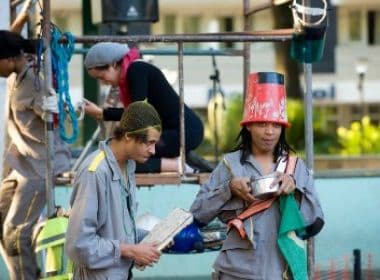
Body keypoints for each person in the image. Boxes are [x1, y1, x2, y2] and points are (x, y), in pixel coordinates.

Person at [190, 72, 324, 279]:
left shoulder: (296, 168)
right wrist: (229, 189)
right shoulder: (229, 165)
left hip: (282, 272)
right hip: (236, 273)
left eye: (276, 125)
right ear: (249, 126)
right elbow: (197, 214)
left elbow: (314, 223)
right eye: (262, 124)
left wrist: (295, 190)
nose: (269, 131)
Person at [0, 30, 71, 279]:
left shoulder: (36, 80)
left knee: (15, 230)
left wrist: (55, 105)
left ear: (8, 59)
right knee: (2, 224)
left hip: (41, 164)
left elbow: (60, 113)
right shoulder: (14, 75)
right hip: (20, 161)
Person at [65, 101, 162, 280]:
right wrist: (131, 251)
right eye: (149, 143)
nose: (153, 150)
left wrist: (155, 238)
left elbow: (119, 230)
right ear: (128, 136)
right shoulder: (94, 172)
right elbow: (79, 245)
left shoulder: (128, 165)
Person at [82, 42, 212, 173]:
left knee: (125, 159)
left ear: (114, 64)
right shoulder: (132, 73)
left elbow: (138, 113)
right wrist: (102, 113)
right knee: (122, 157)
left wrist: (103, 113)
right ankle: (184, 161)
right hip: (171, 132)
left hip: (184, 131)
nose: (103, 83)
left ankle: (180, 165)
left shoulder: (137, 70)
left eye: (101, 77)